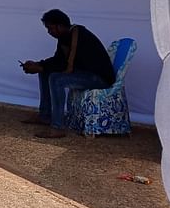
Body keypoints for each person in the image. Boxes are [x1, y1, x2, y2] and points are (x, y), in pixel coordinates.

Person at [20, 9, 114, 139]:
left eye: (51, 28)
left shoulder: (78, 35)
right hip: (85, 74)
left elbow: (67, 64)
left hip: (99, 78)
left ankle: (57, 127)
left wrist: (40, 66)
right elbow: (59, 61)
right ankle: (45, 115)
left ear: (60, 25)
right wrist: (39, 65)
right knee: (46, 73)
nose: (49, 32)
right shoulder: (65, 38)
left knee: (56, 79)